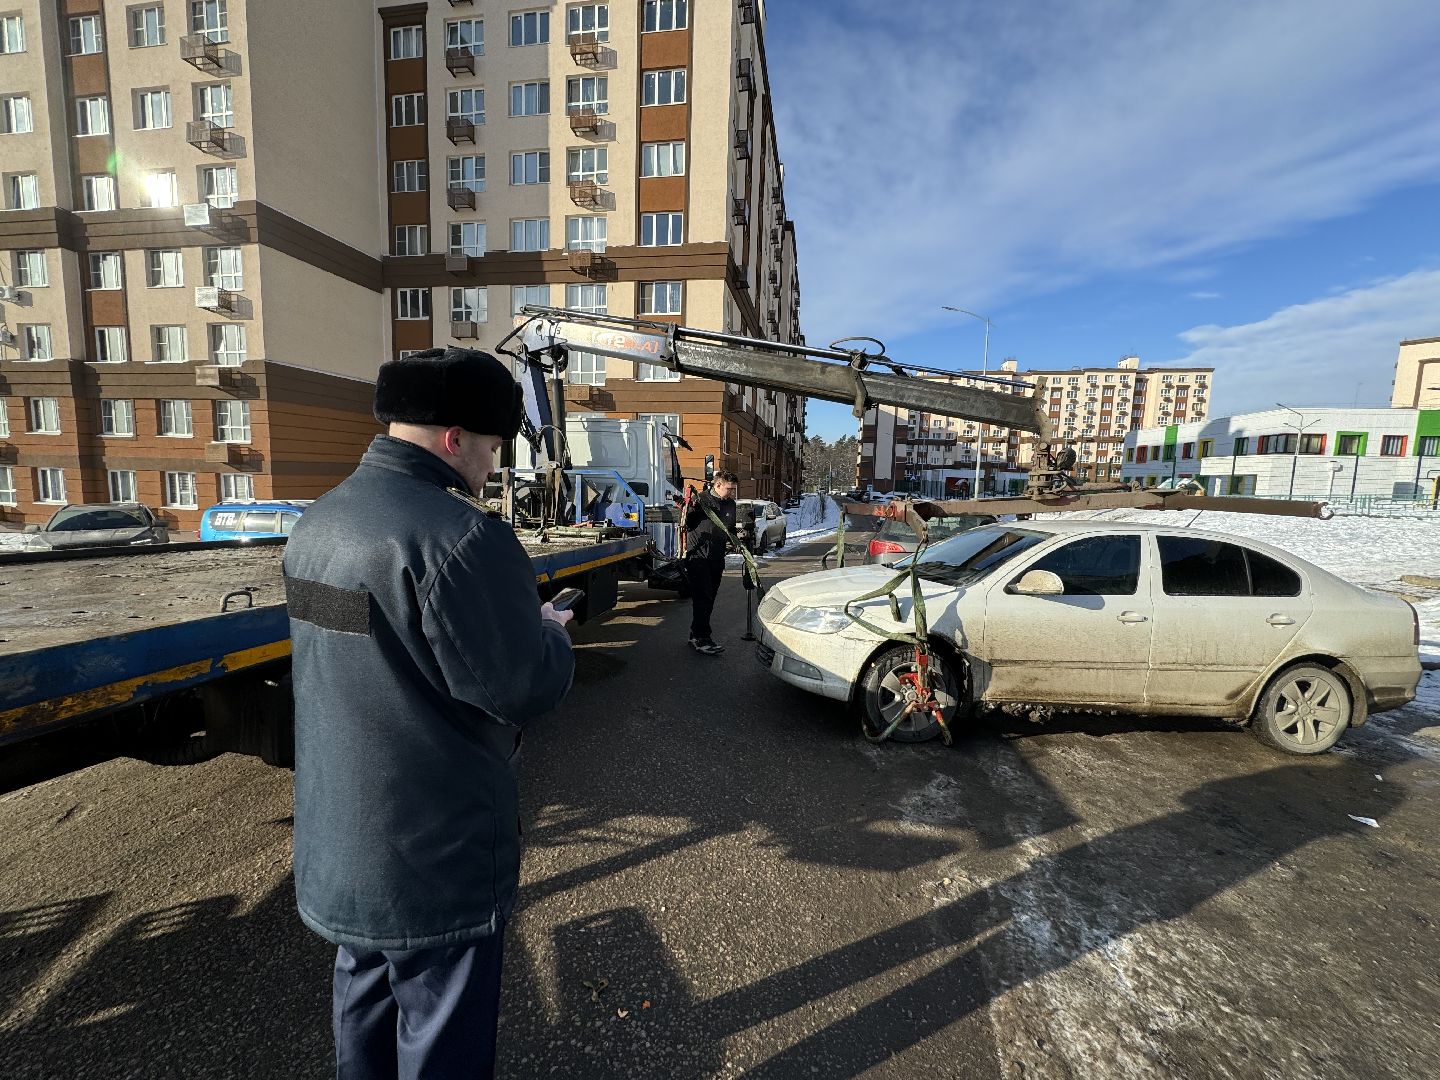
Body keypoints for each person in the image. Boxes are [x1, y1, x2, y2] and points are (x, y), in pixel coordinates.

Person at [282, 347, 576, 1080]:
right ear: (455, 438)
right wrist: (547, 634)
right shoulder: (462, 537)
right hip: (435, 863)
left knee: (365, 1009)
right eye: (491, 446)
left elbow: (388, 643)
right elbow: (519, 686)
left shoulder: (317, 524)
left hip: (348, 844)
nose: (492, 463)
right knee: (442, 1041)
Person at [682, 470, 739, 655]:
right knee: (703, 598)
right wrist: (689, 507)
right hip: (698, 558)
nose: (731, 493)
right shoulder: (701, 501)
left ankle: (695, 633)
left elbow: (729, 528)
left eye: (733, 489)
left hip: (717, 558)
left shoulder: (730, 504)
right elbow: (686, 522)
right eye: (729, 489)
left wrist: (736, 542)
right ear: (717, 485)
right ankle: (702, 638)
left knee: (709, 599)